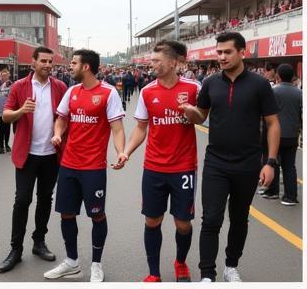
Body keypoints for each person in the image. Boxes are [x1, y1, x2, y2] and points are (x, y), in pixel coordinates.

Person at [179, 32, 280, 282]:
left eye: (227, 52)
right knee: (211, 219)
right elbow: (201, 115)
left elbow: (273, 123)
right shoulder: (211, 83)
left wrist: (270, 162)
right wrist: (190, 112)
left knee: (239, 218)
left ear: (242, 52)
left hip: (248, 163)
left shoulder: (260, 85)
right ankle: (207, 274)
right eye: (219, 52)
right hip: (215, 162)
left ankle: (231, 266)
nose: (222, 57)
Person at [116, 39, 200, 283]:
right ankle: (154, 272)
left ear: (173, 62)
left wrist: (191, 112)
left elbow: (203, 118)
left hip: (184, 166)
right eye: (151, 60)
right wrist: (126, 152)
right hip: (154, 167)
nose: (152, 64)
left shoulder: (194, 88)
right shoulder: (148, 91)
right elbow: (141, 128)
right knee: (152, 220)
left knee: (183, 223)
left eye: (156, 61)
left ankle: (181, 262)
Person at [43, 49, 126, 283]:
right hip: (69, 165)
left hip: (93, 168)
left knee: (97, 216)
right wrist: (58, 134)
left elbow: (117, 128)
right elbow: (61, 119)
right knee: (67, 214)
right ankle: (72, 262)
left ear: (86, 67)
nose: (70, 66)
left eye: (73, 63)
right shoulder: (71, 91)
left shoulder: (108, 93)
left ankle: (96, 265)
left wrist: (121, 152)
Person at [0, 46, 68, 275]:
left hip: (51, 154)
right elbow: (5, 116)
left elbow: (66, 118)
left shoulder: (59, 87)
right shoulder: (19, 86)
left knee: (45, 198)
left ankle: (39, 242)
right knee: (22, 200)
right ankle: (15, 250)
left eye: (51, 62)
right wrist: (21, 111)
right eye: (44, 61)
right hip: (27, 155)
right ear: (33, 62)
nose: (48, 65)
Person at [261, 62, 300, 205]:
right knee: (290, 166)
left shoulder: (273, 91)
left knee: (274, 162)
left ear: (278, 75)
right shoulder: (299, 93)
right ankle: (291, 196)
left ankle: (273, 191)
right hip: (293, 135)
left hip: (275, 135)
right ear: (292, 76)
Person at [0, 67, 13, 154]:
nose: (4, 77)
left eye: (6, 75)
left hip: (7, 111)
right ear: (0, 76)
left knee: (7, 130)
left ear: (8, 76)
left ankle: (6, 145)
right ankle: (1, 147)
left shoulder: (11, 84)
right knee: (0, 130)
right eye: (3, 75)